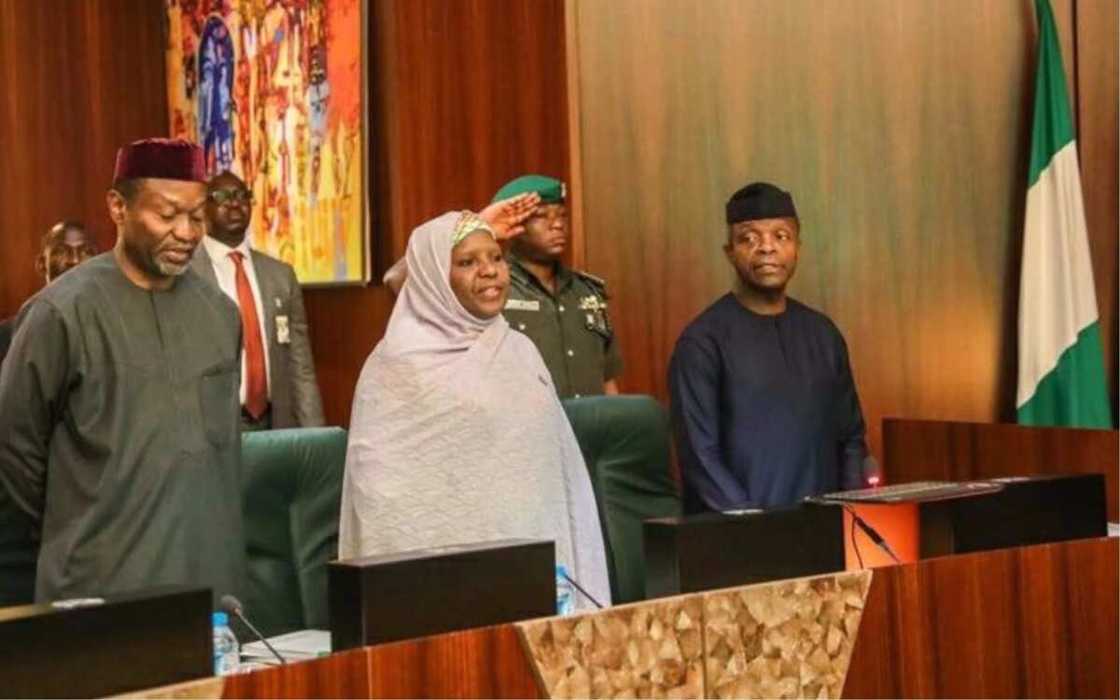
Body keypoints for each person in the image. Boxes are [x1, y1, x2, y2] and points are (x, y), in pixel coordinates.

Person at [0, 138, 246, 603]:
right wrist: (82, 521)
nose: (186, 233)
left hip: (211, 586)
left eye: (196, 216)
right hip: (97, 586)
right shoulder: (60, 313)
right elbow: (15, 449)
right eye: (167, 215)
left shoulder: (219, 313)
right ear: (117, 207)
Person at [340, 211, 611, 610]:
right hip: (437, 590)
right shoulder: (396, 363)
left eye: (496, 258)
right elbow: (385, 504)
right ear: (434, 279)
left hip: (532, 575)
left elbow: (555, 478)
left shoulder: (520, 351)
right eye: (467, 262)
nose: (489, 272)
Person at [669, 182, 869, 513]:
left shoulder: (823, 334)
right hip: (740, 543)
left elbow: (851, 440)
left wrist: (849, 514)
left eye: (781, 236)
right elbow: (699, 456)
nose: (766, 248)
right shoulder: (702, 342)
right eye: (749, 238)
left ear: (797, 248)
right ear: (729, 251)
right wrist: (756, 528)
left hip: (825, 536)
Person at [385, 175, 623, 398]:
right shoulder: (487, 288)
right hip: (521, 434)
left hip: (588, 438)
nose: (557, 224)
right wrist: (478, 224)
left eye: (561, 215)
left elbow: (608, 379)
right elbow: (396, 280)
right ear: (515, 225)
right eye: (542, 216)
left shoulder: (587, 291)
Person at [192, 170, 325, 430]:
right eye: (221, 196)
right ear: (201, 207)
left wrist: (316, 435)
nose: (234, 202)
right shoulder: (186, 274)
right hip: (210, 430)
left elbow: (301, 367)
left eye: (242, 195)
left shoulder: (280, 275)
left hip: (273, 424)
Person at [0, 221, 98, 366]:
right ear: (41, 264)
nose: (75, 261)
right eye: (61, 251)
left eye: (85, 252)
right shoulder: (7, 335)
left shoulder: (110, 329)